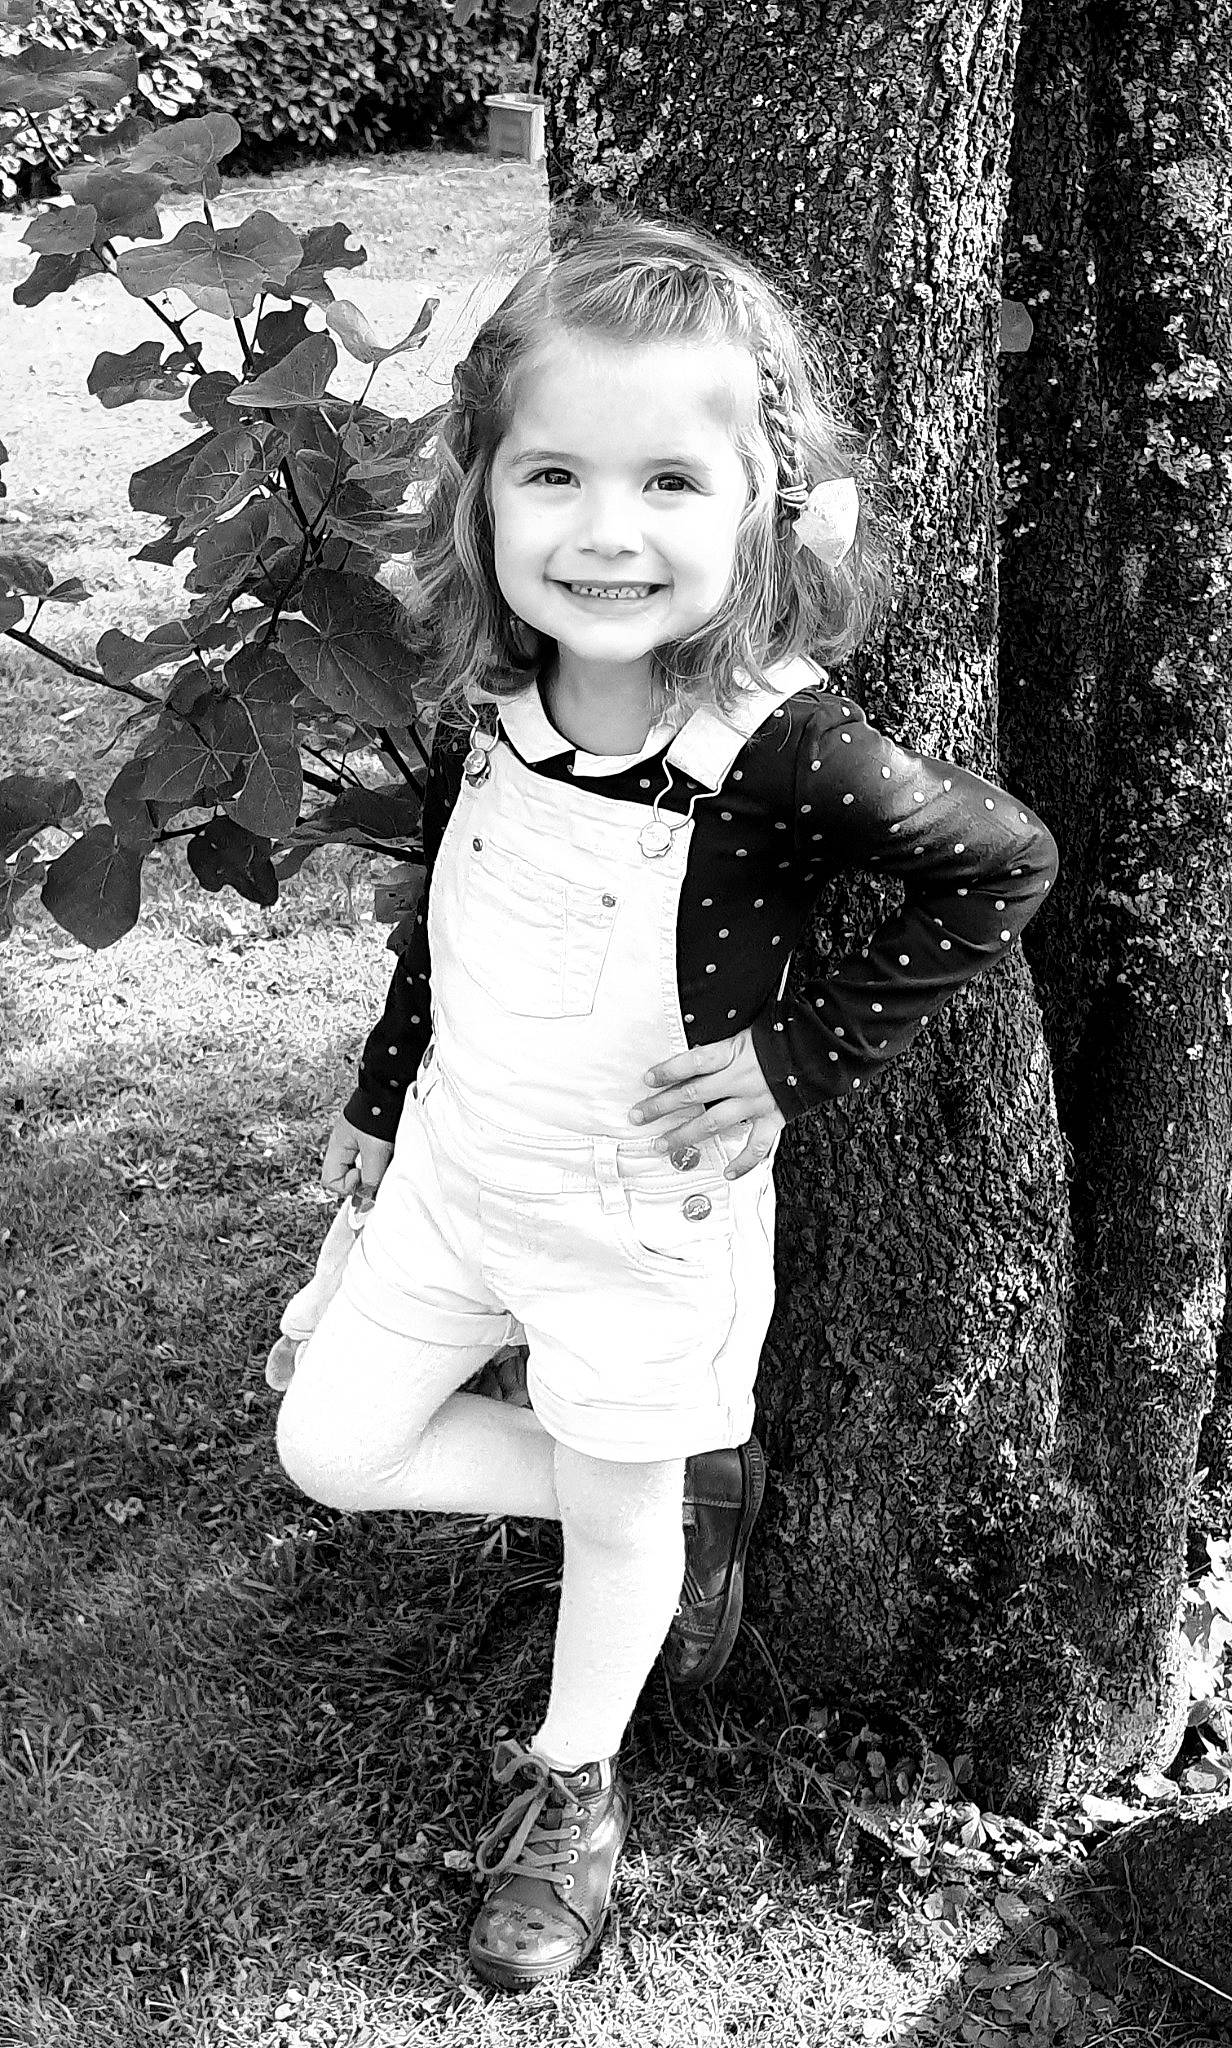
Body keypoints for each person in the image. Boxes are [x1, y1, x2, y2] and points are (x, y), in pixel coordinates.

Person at [275, 212, 1059, 1992]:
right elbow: (452, 916)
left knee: (616, 1521)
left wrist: (796, 1062)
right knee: (332, 1447)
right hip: (461, 1188)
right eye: (553, 472)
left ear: (766, 510)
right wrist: (385, 1097)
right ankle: (652, 1502)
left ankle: (576, 1783)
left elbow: (1000, 864)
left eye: (670, 484)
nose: (605, 533)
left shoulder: (775, 743)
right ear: (482, 495)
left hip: (641, 1220)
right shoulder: (499, 697)